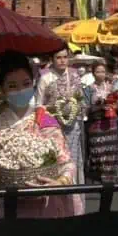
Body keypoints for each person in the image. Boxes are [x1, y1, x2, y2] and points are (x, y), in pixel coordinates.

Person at [0, 51, 84, 218]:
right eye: (12, 86)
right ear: (2, 90)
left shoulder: (44, 118)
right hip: (6, 207)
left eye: (25, 84)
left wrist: (59, 182)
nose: (20, 90)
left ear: (33, 84)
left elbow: (67, 164)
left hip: (46, 206)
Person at [37, 49, 86, 187]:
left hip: (72, 125)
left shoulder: (75, 76)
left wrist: (75, 107)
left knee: (72, 159)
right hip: (52, 126)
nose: (62, 60)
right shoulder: (45, 78)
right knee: (57, 159)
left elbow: (81, 99)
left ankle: (74, 192)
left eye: (65, 57)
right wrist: (53, 110)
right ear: (52, 59)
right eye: (58, 57)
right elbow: (38, 104)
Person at [84, 63, 118, 183]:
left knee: (110, 150)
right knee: (98, 150)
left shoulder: (111, 87)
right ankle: (96, 175)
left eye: (103, 71)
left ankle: (110, 177)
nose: (101, 74)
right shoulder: (88, 89)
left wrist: (113, 104)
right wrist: (99, 106)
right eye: (98, 71)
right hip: (96, 123)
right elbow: (85, 107)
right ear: (93, 73)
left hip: (110, 123)